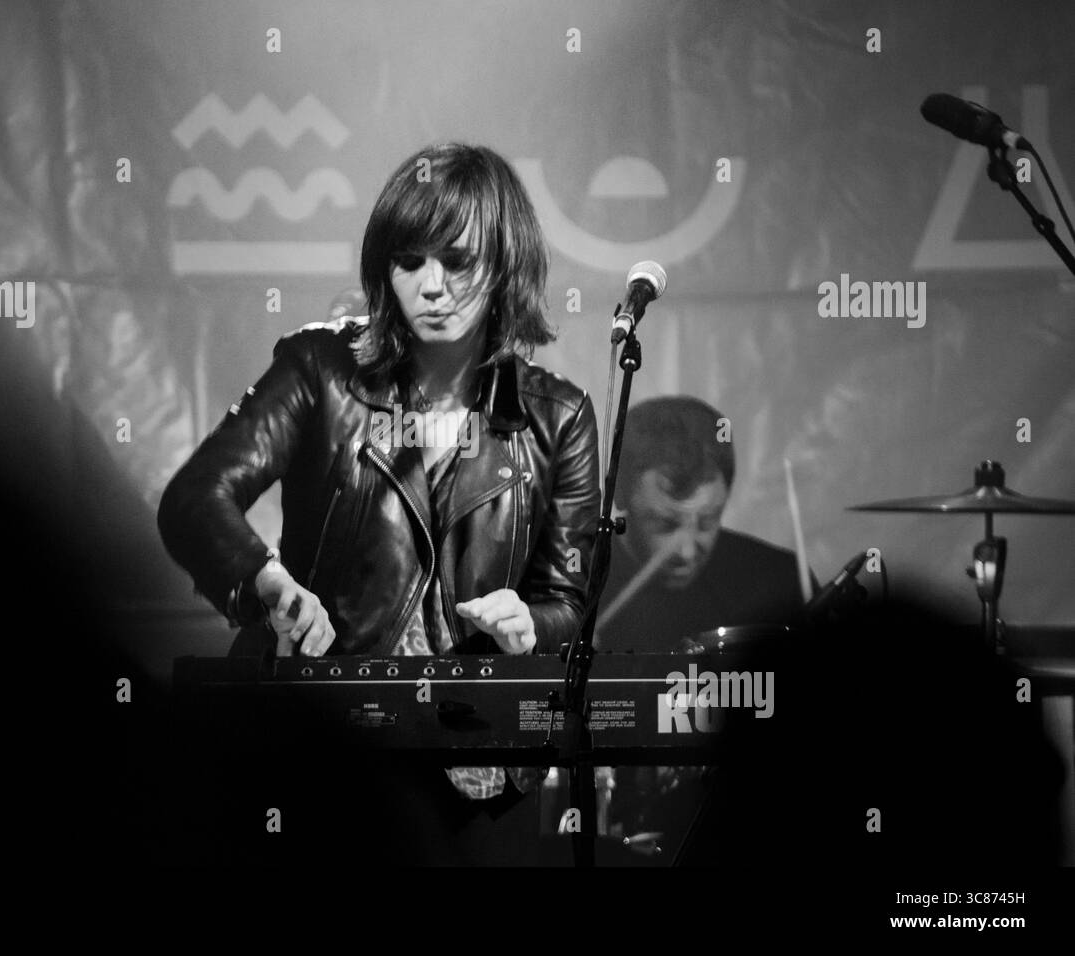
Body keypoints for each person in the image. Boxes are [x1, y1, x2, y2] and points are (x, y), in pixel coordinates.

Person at [157, 142, 601, 864]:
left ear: (504, 266)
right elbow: (194, 498)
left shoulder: (559, 419)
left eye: (457, 261)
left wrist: (530, 622)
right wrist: (272, 586)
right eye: (409, 261)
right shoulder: (321, 370)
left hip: (475, 772)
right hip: (318, 750)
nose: (432, 286)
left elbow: (567, 604)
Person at [596, 395, 811, 654]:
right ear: (619, 493)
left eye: (707, 521)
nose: (686, 551)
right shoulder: (569, 585)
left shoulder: (779, 582)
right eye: (666, 524)